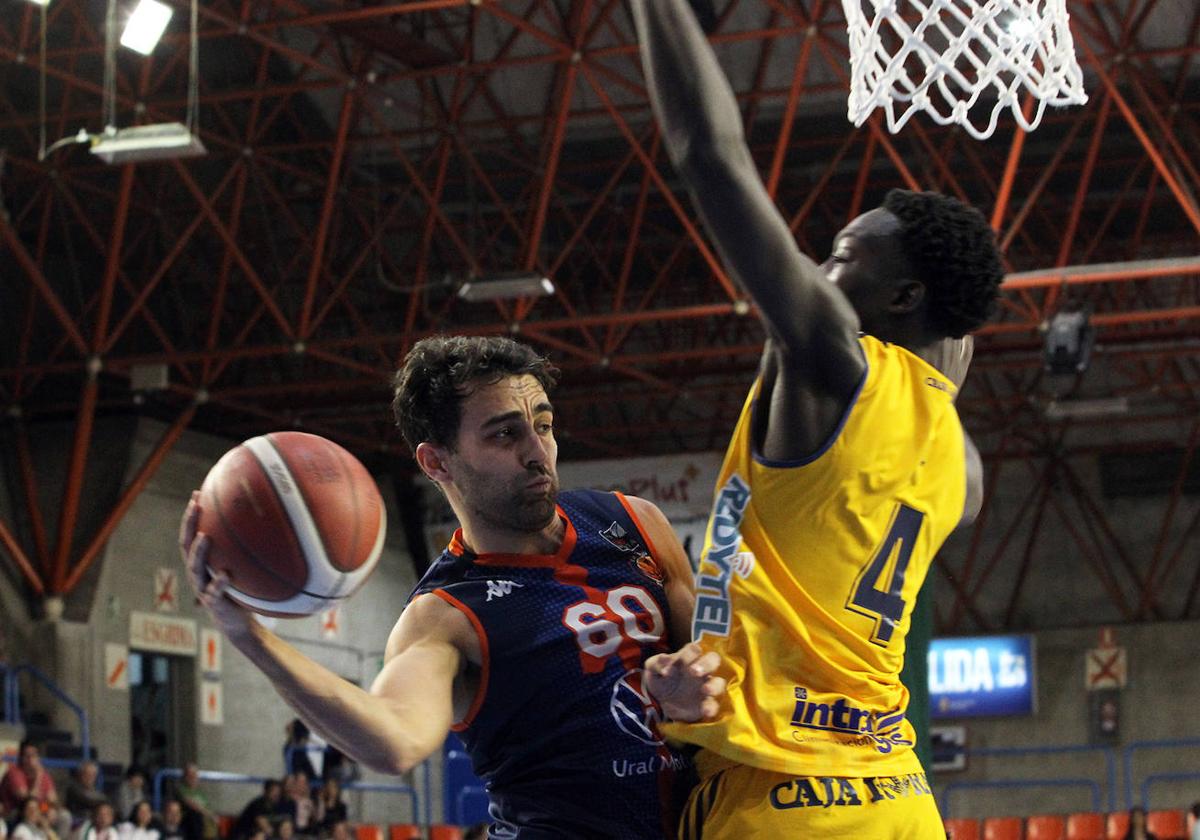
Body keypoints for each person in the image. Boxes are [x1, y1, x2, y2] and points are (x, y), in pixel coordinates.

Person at [631, 2, 1005, 837]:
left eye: (841, 254)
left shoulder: (834, 370)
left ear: (903, 299)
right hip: (897, 797)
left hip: (782, 799)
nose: (819, 269)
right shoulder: (962, 469)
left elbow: (710, 157)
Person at [181, 335, 724, 839]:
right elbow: (394, 739)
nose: (538, 451)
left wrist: (698, 686)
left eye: (545, 424)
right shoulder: (443, 614)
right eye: (506, 434)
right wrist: (251, 639)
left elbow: (726, 663)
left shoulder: (634, 523)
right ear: (436, 461)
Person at [0, 744, 69, 839]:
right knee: (31, 809)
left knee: (64, 816)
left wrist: (50, 809)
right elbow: (28, 799)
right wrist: (38, 777)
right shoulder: (14, 773)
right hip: (16, 810)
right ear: (21, 758)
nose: (30, 759)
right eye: (27, 756)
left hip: (38, 808)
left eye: (33, 756)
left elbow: (53, 800)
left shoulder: (45, 776)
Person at [171, 766, 215, 840]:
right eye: (190, 775)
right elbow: (192, 805)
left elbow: (208, 807)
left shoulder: (201, 792)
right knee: (195, 815)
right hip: (189, 822)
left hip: (205, 823)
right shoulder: (181, 789)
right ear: (185, 777)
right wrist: (208, 814)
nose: (193, 777)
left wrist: (213, 816)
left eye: (194, 774)